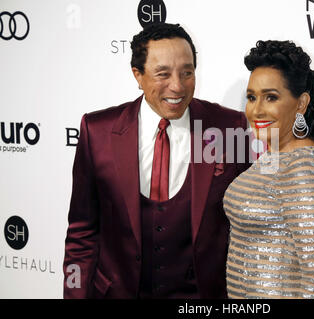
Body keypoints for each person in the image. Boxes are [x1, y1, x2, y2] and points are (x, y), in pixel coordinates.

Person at [63, 23, 250, 298]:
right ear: (138, 75)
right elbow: (82, 233)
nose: (177, 86)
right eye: (163, 74)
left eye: (187, 73)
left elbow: (248, 221)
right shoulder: (97, 131)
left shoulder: (227, 127)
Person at [224, 40, 314, 299]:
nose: (256, 110)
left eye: (271, 97)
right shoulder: (274, 156)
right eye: (251, 97)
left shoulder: (303, 167)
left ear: (301, 103)